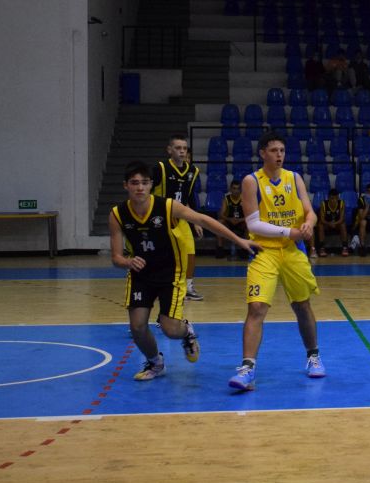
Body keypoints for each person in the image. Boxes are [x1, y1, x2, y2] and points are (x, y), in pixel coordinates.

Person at [109, 162, 259, 381]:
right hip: (141, 274)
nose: (140, 187)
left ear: (151, 185)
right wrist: (127, 262)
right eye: (134, 183)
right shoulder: (117, 214)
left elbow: (203, 220)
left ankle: (187, 331)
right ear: (126, 185)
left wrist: (238, 240)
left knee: (170, 329)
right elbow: (116, 257)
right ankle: (156, 362)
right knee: (138, 327)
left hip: (170, 273)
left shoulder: (167, 206)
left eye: (144, 182)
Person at [229, 133, 325, 391]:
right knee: (256, 307)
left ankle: (313, 356)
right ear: (263, 153)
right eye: (273, 150)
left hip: (293, 251)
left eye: (282, 150)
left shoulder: (294, 178)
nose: (279, 155)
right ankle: (247, 368)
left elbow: (310, 211)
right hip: (264, 251)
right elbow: (253, 224)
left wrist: (308, 223)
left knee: (302, 306)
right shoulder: (251, 181)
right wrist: (288, 231)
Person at [152, 135, 204, 300]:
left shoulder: (192, 171)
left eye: (184, 148)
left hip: (180, 217)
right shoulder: (160, 168)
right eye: (178, 148)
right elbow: (147, 192)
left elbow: (189, 198)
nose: (182, 151)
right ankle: (155, 285)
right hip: (160, 217)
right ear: (169, 150)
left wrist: (195, 220)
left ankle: (188, 287)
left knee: (190, 251)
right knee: (160, 253)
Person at [215, 179, 246, 259]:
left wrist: (240, 220)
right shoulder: (226, 199)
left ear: (240, 190)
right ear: (231, 189)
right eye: (234, 188)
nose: (236, 191)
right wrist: (230, 219)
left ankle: (245, 249)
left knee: (250, 224)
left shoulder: (244, 199)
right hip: (229, 223)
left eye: (238, 188)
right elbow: (221, 214)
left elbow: (249, 215)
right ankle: (220, 249)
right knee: (219, 223)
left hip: (241, 223)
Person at [316, 188, 350, 257]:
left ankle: (345, 248)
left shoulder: (341, 203)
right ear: (328, 198)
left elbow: (342, 218)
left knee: (343, 224)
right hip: (327, 224)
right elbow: (322, 219)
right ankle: (322, 248)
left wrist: (334, 223)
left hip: (337, 224)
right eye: (331, 198)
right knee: (320, 225)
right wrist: (329, 224)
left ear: (338, 198)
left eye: (335, 198)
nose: (333, 200)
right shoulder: (323, 204)